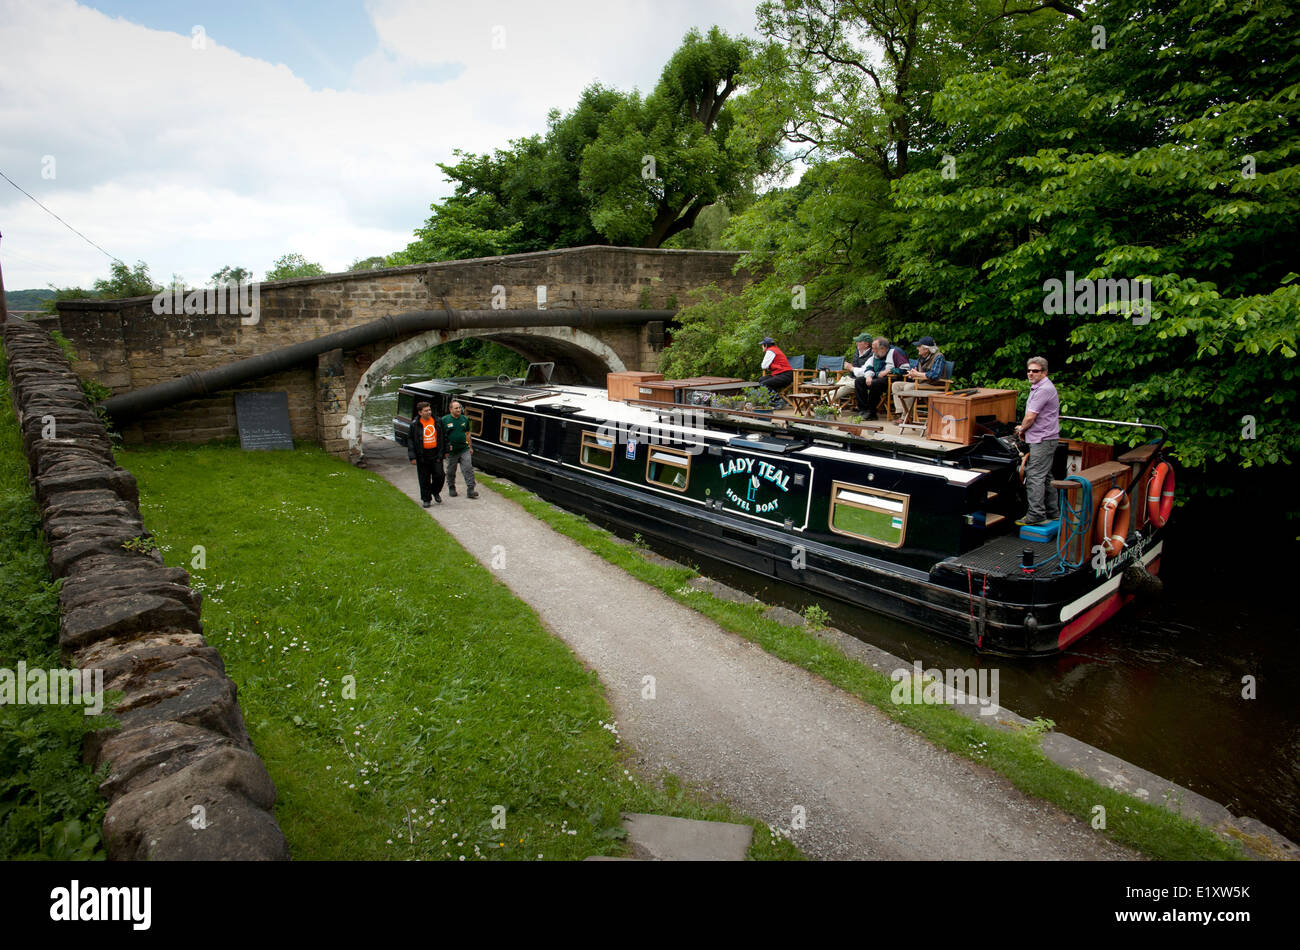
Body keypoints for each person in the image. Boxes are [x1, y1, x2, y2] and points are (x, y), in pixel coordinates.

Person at [1015, 356, 1060, 526]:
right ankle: (1053, 512)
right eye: (1029, 370)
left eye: (1035, 371)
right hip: (1043, 437)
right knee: (1046, 476)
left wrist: (1021, 429)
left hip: (1043, 439)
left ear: (1044, 372)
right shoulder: (1039, 387)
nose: (1031, 373)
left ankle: (1036, 515)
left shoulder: (1043, 389)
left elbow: (1031, 416)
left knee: (1034, 476)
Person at [892, 335, 946, 423]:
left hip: (933, 385)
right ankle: (902, 412)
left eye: (919, 346)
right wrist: (912, 373)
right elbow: (916, 369)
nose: (917, 348)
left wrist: (918, 374)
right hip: (921, 383)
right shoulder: (921, 357)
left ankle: (906, 417)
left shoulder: (939, 357)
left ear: (926, 349)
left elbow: (935, 375)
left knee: (909, 387)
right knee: (896, 385)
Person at [852, 336, 909, 420]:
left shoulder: (896, 352)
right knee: (859, 381)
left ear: (882, 348)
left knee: (875, 383)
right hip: (877, 378)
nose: (872, 350)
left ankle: (871, 412)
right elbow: (869, 367)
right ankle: (863, 410)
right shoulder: (876, 354)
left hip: (891, 380)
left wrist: (889, 371)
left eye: (874, 348)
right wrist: (868, 376)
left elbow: (905, 368)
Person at [407, 401, 447, 507]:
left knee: (440, 475)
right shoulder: (415, 424)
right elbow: (411, 441)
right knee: (424, 478)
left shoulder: (437, 421)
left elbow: (444, 436)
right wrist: (412, 457)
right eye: (426, 411)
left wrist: (446, 451)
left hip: (435, 453)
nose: (429, 412)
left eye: (429, 410)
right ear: (420, 412)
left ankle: (435, 491)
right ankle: (426, 499)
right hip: (422, 455)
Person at [442, 400, 479, 499]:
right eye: (456, 408)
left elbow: (467, 433)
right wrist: (444, 449)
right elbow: (441, 436)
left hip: (464, 449)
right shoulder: (444, 420)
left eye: (459, 408)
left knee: (468, 468)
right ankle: (451, 487)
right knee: (451, 470)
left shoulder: (465, 419)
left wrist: (470, 447)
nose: (459, 410)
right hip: (451, 451)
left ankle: (471, 489)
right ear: (450, 409)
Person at [832, 332, 873, 406]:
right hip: (852, 376)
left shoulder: (872, 354)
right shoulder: (857, 351)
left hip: (863, 379)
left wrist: (851, 368)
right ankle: (823, 400)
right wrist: (850, 368)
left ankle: (824, 401)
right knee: (836, 384)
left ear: (866, 344)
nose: (856, 343)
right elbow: (854, 366)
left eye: (859, 341)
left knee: (846, 386)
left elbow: (864, 370)